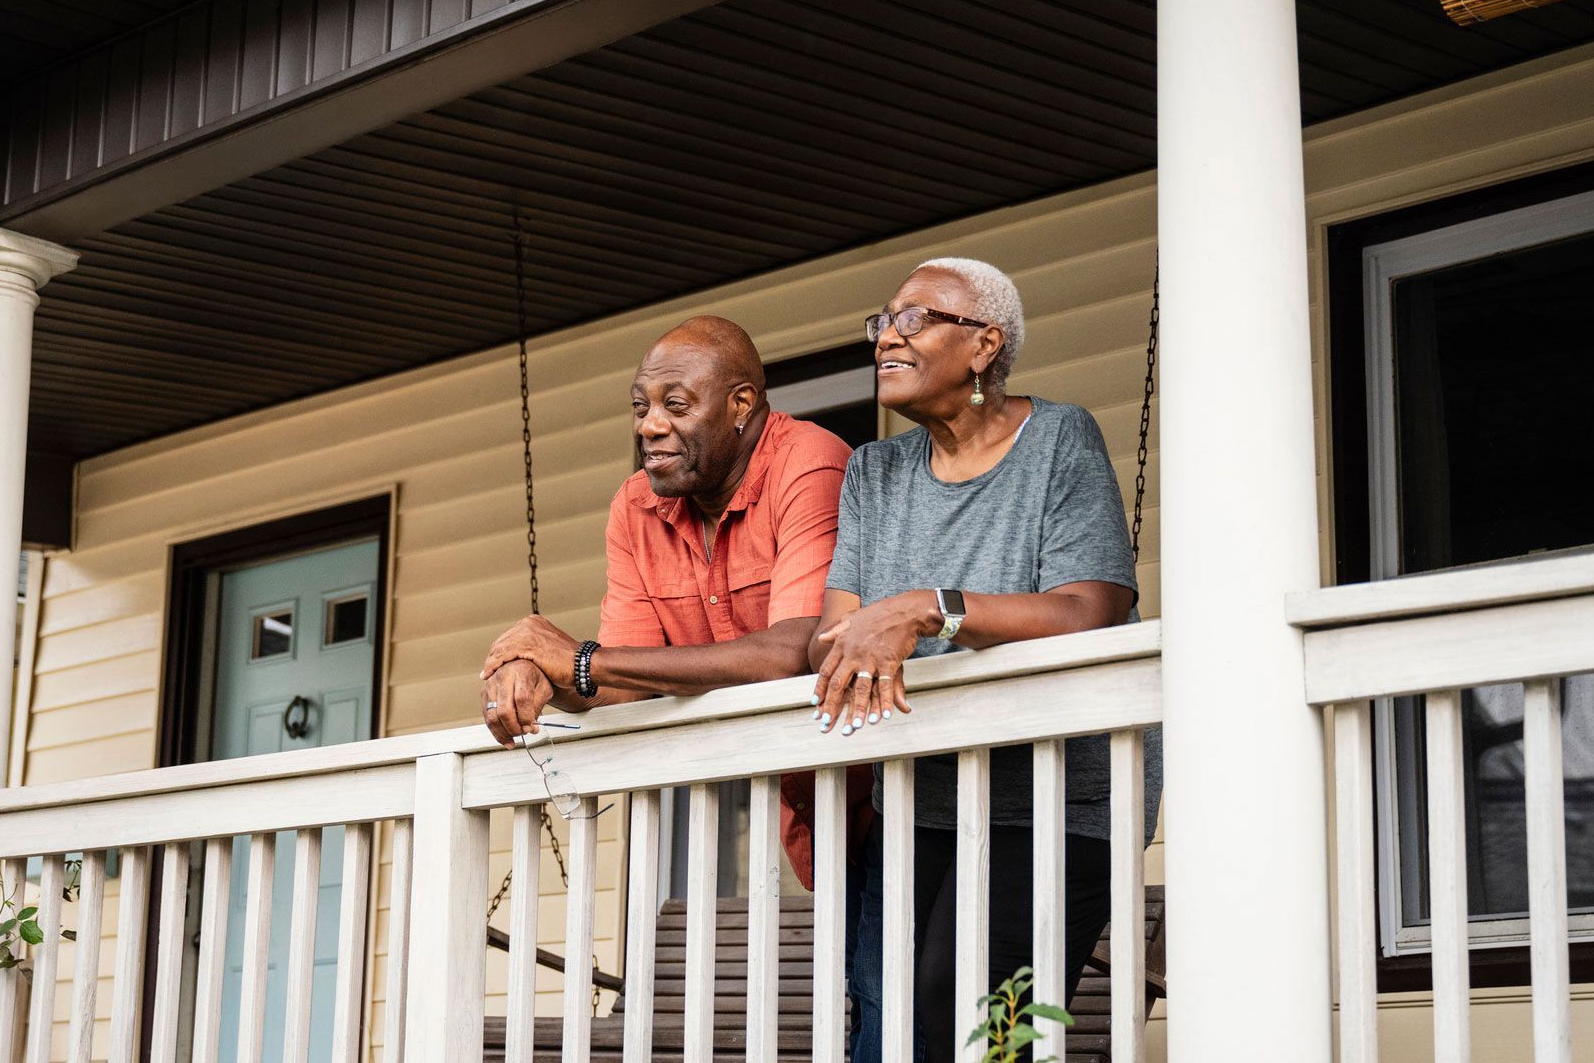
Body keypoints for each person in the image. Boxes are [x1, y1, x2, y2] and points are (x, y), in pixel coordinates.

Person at [808, 258, 1162, 1063]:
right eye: (882, 321)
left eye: (915, 318)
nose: (886, 337)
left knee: (975, 1012)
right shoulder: (874, 470)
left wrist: (931, 607)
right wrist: (877, 625)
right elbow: (842, 634)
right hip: (924, 793)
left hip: (1062, 796)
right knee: (900, 1022)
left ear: (982, 346)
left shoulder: (1058, 440)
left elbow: (1087, 610)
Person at [478, 314, 873, 900]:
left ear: (741, 404)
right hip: (807, 812)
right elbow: (627, 678)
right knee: (870, 988)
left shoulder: (809, 462)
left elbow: (796, 651)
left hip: (889, 788)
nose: (651, 426)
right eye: (641, 408)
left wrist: (578, 659)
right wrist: (540, 673)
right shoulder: (636, 506)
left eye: (677, 406)